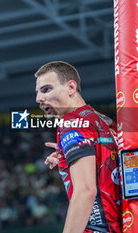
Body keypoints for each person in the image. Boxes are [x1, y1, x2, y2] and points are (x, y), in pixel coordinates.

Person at [35, 61, 121, 233]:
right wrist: (66, 155)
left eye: (46, 89)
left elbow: (86, 192)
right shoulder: (102, 120)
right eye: (37, 92)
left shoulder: (71, 123)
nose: (38, 98)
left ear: (71, 87)